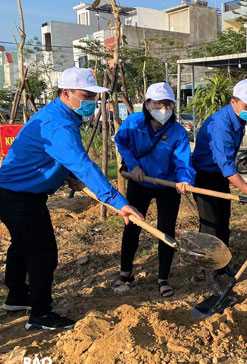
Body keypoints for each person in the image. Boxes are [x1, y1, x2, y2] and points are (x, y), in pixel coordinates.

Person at [0, 67, 142, 330]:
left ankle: (17, 296)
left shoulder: (59, 115)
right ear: (66, 93)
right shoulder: (59, 124)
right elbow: (83, 164)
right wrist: (119, 202)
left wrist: (65, 177)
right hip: (19, 197)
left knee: (22, 246)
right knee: (43, 255)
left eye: (93, 96)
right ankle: (41, 315)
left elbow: (48, 158)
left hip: (13, 193)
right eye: (85, 95)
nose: (90, 102)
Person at [114, 82, 195, 297]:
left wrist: (184, 181)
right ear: (148, 105)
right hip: (139, 182)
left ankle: (163, 277)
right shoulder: (133, 123)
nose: (164, 109)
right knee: (132, 225)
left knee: (166, 229)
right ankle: (126, 271)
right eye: (159, 104)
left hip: (166, 184)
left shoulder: (177, 131)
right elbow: (121, 142)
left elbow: (183, 161)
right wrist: (133, 165)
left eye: (168, 104)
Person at [191, 79, 247, 286]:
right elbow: (228, 167)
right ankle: (209, 275)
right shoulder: (220, 125)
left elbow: (228, 164)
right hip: (204, 176)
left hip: (219, 176)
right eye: (246, 106)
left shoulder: (239, 120)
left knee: (223, 222)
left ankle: (222, 265)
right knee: (210, 226)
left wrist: (236, 183)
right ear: (234, 102)